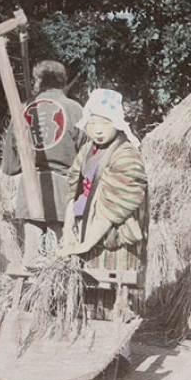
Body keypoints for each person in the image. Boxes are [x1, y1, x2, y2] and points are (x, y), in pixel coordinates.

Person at [59, 88, 148, 319]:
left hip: (112, 240)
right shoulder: (87, 150)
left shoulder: (126, 155)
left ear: (117, 123)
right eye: (92, 122)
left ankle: (119, 353)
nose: (97, 129)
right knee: (86, 302)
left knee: (115, 302)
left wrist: (86, 243)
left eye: (105, 122)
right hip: (85, 233)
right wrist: (69, 229)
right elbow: (74, 188)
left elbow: (116, 205)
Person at [1, 60, 84, 265]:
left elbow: (9, 165)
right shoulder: (75, 110)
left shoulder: (22, 109)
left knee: (32, 257)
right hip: (64, 187)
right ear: (63, 82)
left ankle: (30, 294)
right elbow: (86, 154)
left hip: (31, 184)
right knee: (58, 256)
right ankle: (57, 295)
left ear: (37, 82)